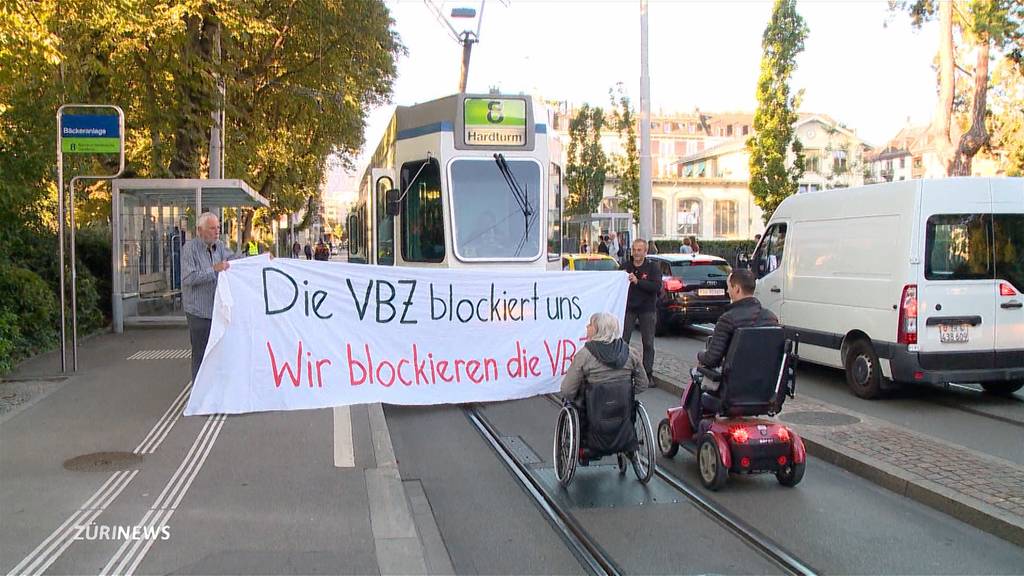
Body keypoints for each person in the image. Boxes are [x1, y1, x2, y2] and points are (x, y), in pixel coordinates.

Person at [688, 269, 779, 427]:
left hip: (733, 392)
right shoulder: (771, 317)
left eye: (728, 286)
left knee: (698, 378)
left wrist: (700, 355)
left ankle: (697, 427)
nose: (727, 290)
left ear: (737, 289)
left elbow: (712, 358)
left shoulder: (728, 319)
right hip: (766, 390)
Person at [182, 212, 241, 383]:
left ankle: (216, 391)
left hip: (218, 310)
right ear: (200, 230)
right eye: (212, 228)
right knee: (201, 354)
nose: (217, 232)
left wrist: (261, 260)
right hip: (198, 312)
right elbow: (188, 278)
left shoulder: (220, 247)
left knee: (220, 352)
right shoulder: (190, 249)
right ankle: (199, 395)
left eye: (218, 228)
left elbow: (237, 262)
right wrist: (213, 270)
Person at [561, 312, 649, 402]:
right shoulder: (631, 353)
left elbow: (567, 390)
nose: (587, 326)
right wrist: (623, 394)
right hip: (622, 407)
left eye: (590, 324)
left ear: (598, 330)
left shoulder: (584, 355)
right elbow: (643, 384)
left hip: (592, 406)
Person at [620, 239, 662, 382]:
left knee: (648, 342)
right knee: (623, 340)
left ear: (645, 251)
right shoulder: (625, 266)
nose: (636, 253)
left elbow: (656, 287)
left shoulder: (653, 267)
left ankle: (647, 373)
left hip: (647, 309)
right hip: (629, 308)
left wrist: (638, 282)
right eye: (634, 250)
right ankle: (622, 370)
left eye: (639, 250)